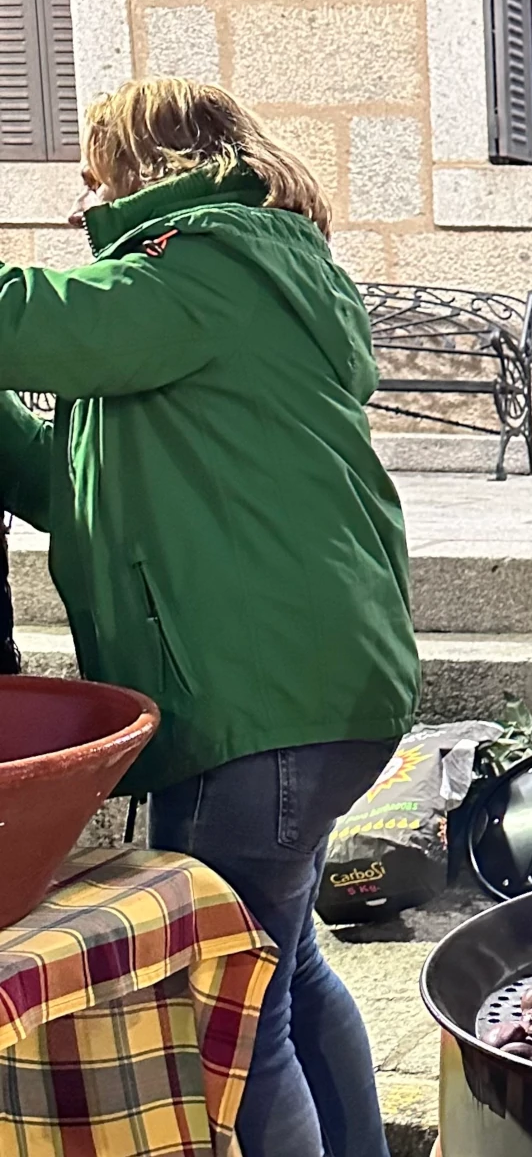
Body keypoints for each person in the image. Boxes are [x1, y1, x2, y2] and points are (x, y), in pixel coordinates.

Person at [0, 78, 418, 1157]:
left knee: (222, 1020)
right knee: (284, 967)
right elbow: (68, 484)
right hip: (299, 690)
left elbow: (26, 322)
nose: (81, 202)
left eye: (91, 177)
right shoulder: (209, 294)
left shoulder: (203, 262)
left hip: (259, 702)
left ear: (136, 167)